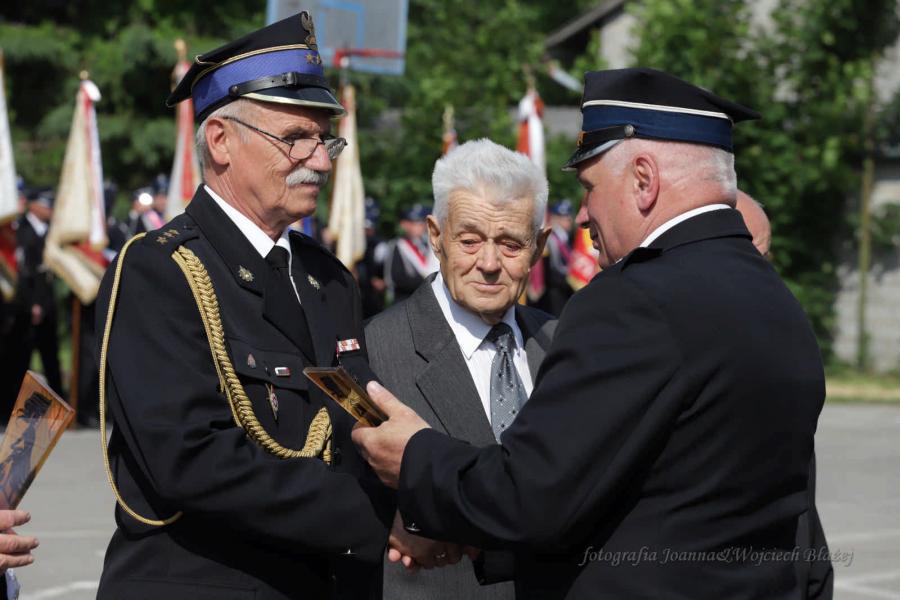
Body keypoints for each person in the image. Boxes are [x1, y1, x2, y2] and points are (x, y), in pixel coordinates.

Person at [353, 68, 827, 599]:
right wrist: (485, 548)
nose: (582, 214)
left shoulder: (635, 301)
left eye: (589, 187)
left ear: (643, 179)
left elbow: (533, 494)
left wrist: (415, 457)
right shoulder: (776, 301)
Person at [95, 12, 390, 599]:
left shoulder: (329, 279)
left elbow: (356, 423)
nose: (321, 161)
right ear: (221, 140)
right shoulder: (160, 271)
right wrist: (377, 521)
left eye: (325, 139)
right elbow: (193, 460)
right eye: (296, 138)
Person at [366, 139, 555, 600]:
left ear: (539, 247)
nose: (488, 264)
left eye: (510, 244)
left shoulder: (562, 342)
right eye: (469, 241)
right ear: (435, 236)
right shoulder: (377, 350)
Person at [734, 190, 833, 599]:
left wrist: (813, 577)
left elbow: (800, 492)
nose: (756, 269)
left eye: (764, 256)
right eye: (743, 252)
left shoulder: (781, 336)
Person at [13, 188, 63, 398]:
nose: (49, 209)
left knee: (51, 359)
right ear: (32, 205)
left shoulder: (51, 230)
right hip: (26, 304)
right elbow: (24, 270)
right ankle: (12, 405)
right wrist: (33, 303)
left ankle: (58, 404)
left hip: (47, 303)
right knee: (19, 359)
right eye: (45, 204)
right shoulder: (20, 230)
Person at [384, 204, 439, 304]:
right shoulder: (398, 245)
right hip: (406, 300)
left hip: (428, 300)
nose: (419, 226)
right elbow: (395, 277)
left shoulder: (430, 244)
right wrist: (426, 282)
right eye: (414, 223)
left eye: (421, 222)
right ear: (404, 224)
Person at [533, 199, 574, 316]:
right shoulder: (551, 238)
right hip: (554, 289)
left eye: (568, 217)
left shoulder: (566, 237)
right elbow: (555, 266)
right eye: (565, 218)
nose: (569, 221)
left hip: (565, 289)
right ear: (555, 218)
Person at [358, 197, 387, 318]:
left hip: (372, 295)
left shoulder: (379, 244)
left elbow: (383, 267)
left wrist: (381, 279)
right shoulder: (351, 242)